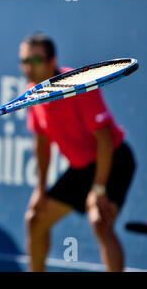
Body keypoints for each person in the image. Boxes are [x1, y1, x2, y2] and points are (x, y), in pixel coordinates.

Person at [20, 33, 135, 272]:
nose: (29, 67)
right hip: (82, 168)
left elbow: (103, 139)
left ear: (52, 61)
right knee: (35, 219)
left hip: (113, 159)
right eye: (25, 61)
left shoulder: (78, 85)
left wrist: (99, 189)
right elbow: (42, 143)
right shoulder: (32, 92)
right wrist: (40, 189)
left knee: (100, 222)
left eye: (36, 60)